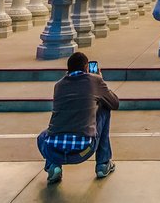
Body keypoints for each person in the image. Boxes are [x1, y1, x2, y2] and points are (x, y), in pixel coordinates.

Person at [36, 51, 120, 184]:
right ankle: (103, 164)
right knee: (105, 108)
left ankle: (53, 166)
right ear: (87, 68)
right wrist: (101, 81)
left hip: (53, 150)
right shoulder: (95, 80)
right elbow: (115, 103)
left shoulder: (58, 86)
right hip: (84, 150)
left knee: (42, 137)